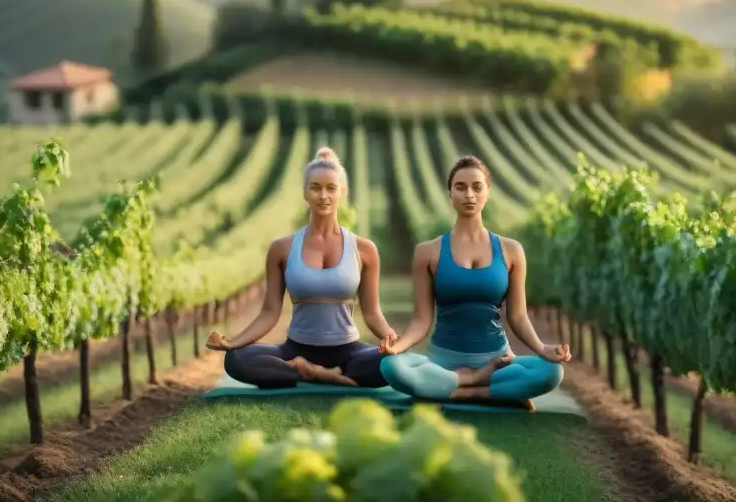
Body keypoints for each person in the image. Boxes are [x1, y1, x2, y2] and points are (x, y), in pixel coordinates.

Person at [378, 155, 570, 405]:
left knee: (552, 372)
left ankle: (458, 391)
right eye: (460, 187)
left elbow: (518, 316)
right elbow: (421, 320)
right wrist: (398, 346)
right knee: (391, 366)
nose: (469, 194)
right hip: (443, 364)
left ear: (487, 192)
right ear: (450, 194)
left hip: (498, 361)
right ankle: (477, 384)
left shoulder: (511, 250)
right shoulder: (427, 251)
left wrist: (542, 348)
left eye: (477, 187)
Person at [205, 147, 397, 389]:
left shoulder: (364, 249)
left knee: (394, 363)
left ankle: (306, 374)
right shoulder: (281, 248)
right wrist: (234, 342)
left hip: (348, 354)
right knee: (235, 360)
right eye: (315, 187)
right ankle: (311, 372)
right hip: (295, 352)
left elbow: (372, 312)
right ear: (305, 193)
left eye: (331, 188)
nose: (323, 195)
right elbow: (270, 312)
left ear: (342, 193)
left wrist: (390, 338)